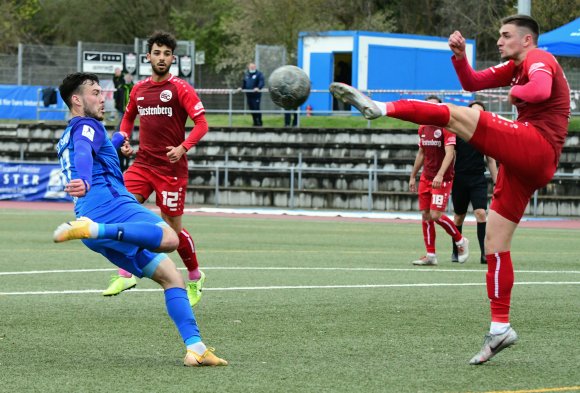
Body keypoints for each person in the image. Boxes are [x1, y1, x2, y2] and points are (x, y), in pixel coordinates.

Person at [330, 14, 570, 365]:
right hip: (527, 161)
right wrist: (459, 57)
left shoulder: (539, 59)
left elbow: (539, 90)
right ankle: (500, 327)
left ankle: (381, 107)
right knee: (495, 245)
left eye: (505, 36)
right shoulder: (517, 64)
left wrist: (514, 91)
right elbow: (472, 82)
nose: (500, 42)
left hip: (537, 145)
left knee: (451, 114)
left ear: (527, 40)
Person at [53, 72, 227, 367]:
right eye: (95, 92)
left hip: (88, 215)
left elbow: (94, 146)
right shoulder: (87, 126)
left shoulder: (71, 133)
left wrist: (120, 140)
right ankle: (94, 230)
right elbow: (84, 152)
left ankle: (195, 348)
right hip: (110, 209)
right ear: (76, 100)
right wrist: (83, 179)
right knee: (170, 238)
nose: (102, 98)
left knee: (171, 277)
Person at [103, 31, 207, 307]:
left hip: (171, 170)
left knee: (172, 233)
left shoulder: (180, 88)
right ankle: (125, 273)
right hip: (142, 165)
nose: (161, 58)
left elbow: (202, 125)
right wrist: (124, 140)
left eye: (167, 53)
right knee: (119, 211)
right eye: (157, 53)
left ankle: (195, 276)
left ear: (173, 58)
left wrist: (182, 147)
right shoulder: (138, 89)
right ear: (148, 57)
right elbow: (127, 121)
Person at [409, 95, 469, 266]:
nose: (430, 109)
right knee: (426, 215)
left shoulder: (446, 127)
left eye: (434, 106)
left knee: (436, 215)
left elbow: (451, 153)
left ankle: (460, 241)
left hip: (442, 178)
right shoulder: (422, 127)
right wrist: (413, 176)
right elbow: (421, 153)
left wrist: (440, 174)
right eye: (427, 106)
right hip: (426, 177)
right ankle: (431, 255)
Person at [451, 101, 498, 264]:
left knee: (481, 213)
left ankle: (485, 253)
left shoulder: (486, 135)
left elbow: (491, 161)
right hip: (459, 179)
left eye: (480, 112)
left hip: (478, 179)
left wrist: (497, 182)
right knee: (458, 217)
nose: (477, 115)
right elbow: (452, 155)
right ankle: (457, 250)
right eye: (473, 111)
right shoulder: (458, 132)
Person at [113, 72, 134, 172]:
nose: (128, 78)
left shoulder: (133, 87)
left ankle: (128, 138)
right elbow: (116, 96)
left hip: (130, 112)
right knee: (121, 126)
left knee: (128, 130)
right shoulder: (121, 86)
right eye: (127, 77)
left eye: (130, 77)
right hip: (122, 110)